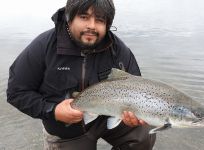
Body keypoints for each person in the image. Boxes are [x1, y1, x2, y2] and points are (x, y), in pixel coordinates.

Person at [7, 0, 156, 149]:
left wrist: (133, 116)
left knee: (144, 133)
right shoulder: (43, 46)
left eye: (99, 19)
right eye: (84, 17)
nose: (91, 25)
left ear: (107, 24)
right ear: (69, 17)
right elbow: (16, 92)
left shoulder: (119, 51)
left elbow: (139, 89)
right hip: (65, 130)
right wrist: (53, 111)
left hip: (109, 117)